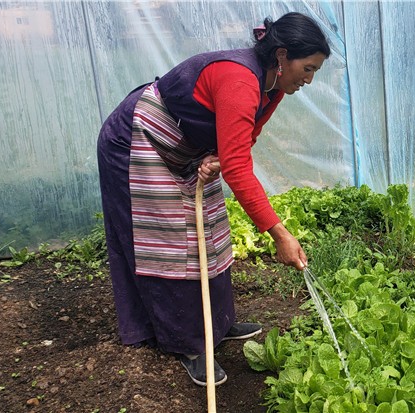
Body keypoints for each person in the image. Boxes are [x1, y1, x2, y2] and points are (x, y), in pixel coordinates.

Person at [96, 12, 330, 386]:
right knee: (169, 242)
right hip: (140, 141)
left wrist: (217, 157)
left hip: (185, 146)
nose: (309, 79)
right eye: (308, 68)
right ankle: (188, 343)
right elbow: (239, 168)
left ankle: (217, 324)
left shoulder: (273, 86)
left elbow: (245, 138)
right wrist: (279, 234)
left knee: (212, 229)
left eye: (315, 70)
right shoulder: (240, 80)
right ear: (282, 55)